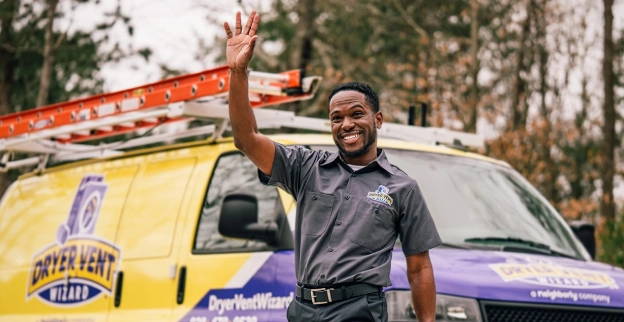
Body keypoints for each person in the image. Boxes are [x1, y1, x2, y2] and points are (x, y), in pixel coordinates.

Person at [224, 10, 441, 322]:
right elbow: (246, 138)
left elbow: (419, 268)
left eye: (356, 114)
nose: (346, 124)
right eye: (336, 118)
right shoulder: (305, 167)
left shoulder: (401, 188)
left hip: (358, 311)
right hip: (302, 310)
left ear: (377, 119)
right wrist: (238, 72)